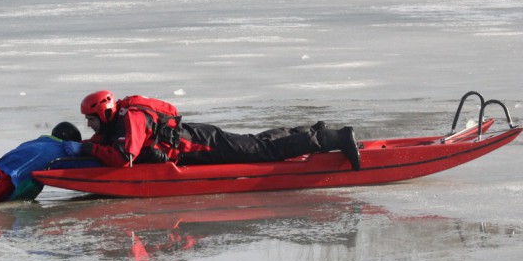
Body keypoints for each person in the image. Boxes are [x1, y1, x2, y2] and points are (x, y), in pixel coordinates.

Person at [78, 90, 362, 171]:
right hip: (197, 138)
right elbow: (106, 142)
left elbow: (125, 159)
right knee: (257, 143)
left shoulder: (131, 119)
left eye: (91, 119)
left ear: (103, 112)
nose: (90, 125)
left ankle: (334, 138)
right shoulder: (118, 120)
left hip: (199, 144)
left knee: (263, 151)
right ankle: (307, 131)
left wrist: (89, 150)